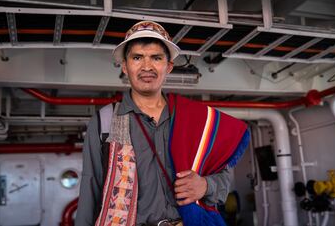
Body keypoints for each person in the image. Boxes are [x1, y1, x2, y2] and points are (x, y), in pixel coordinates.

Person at [75, 21, 233, 226]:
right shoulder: (104, 122)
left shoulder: (194, 119)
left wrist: (206, 185)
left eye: (156, 58)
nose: (146, 66)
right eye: (137, 57)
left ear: (168, 66)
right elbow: (90, 189)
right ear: (125, 65)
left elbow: (223, 176)